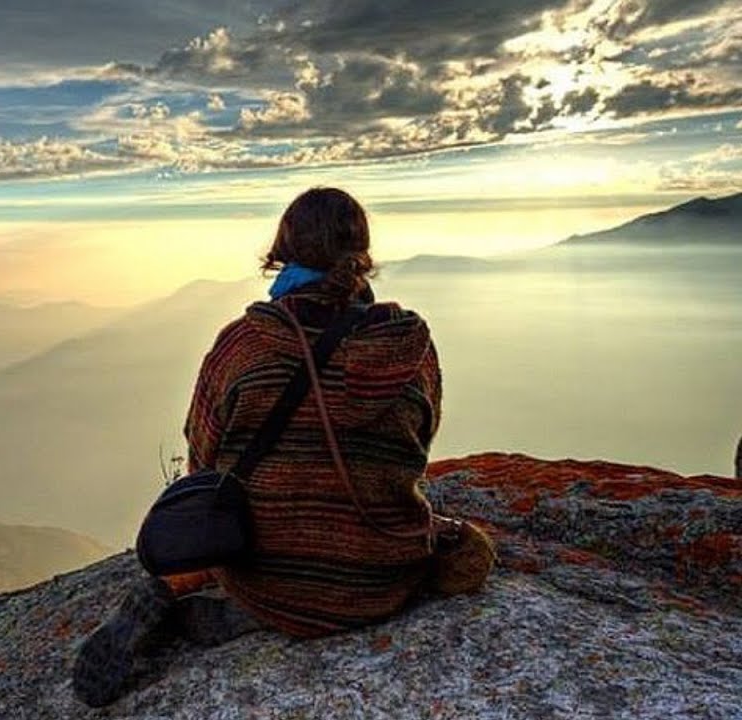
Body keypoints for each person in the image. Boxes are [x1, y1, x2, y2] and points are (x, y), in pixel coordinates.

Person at [72, 187, 494, 708]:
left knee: (227, 542)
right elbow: (416, 446)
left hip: (262, 572)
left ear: (283, 251)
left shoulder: (244, 345)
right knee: (468, 550)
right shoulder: (406, 347)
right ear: (361, 253)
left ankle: (209, 600)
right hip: (379, 580)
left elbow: (202, 460)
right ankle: (255, 605)